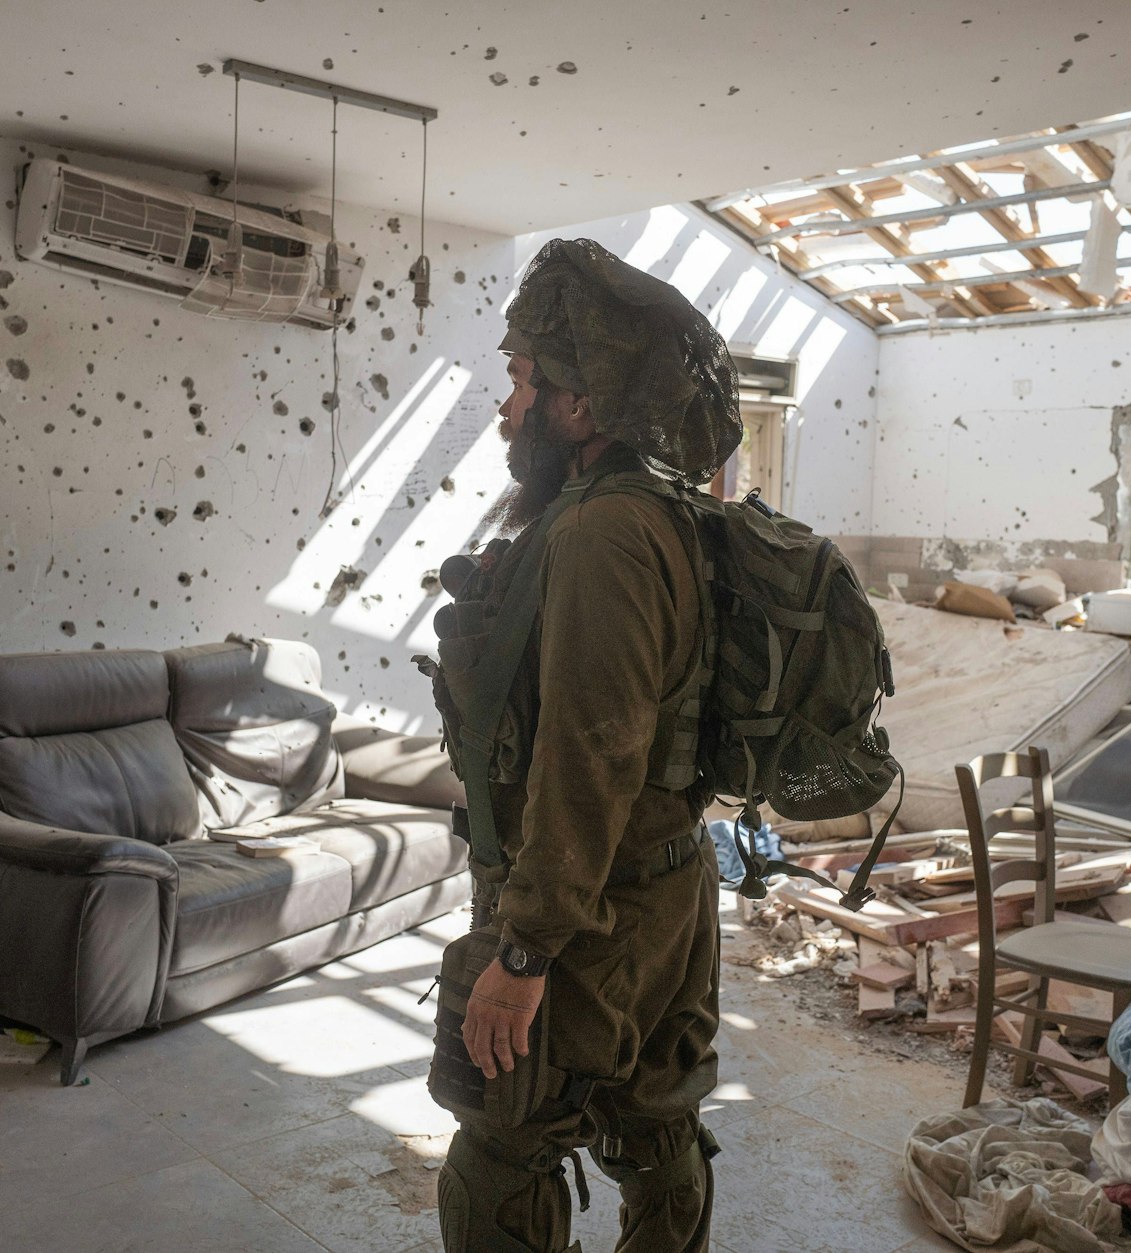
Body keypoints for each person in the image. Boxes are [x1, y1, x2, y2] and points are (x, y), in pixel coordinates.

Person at [429, 238, 743, 1253]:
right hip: (661, 888)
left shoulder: (602, 531)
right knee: (655, 1121)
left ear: (580, 402)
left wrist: (523, 951)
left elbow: (589, 752)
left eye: (524, 381)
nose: (507, 405)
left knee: (501, 1145)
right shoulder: (663, 514)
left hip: (588, 914)